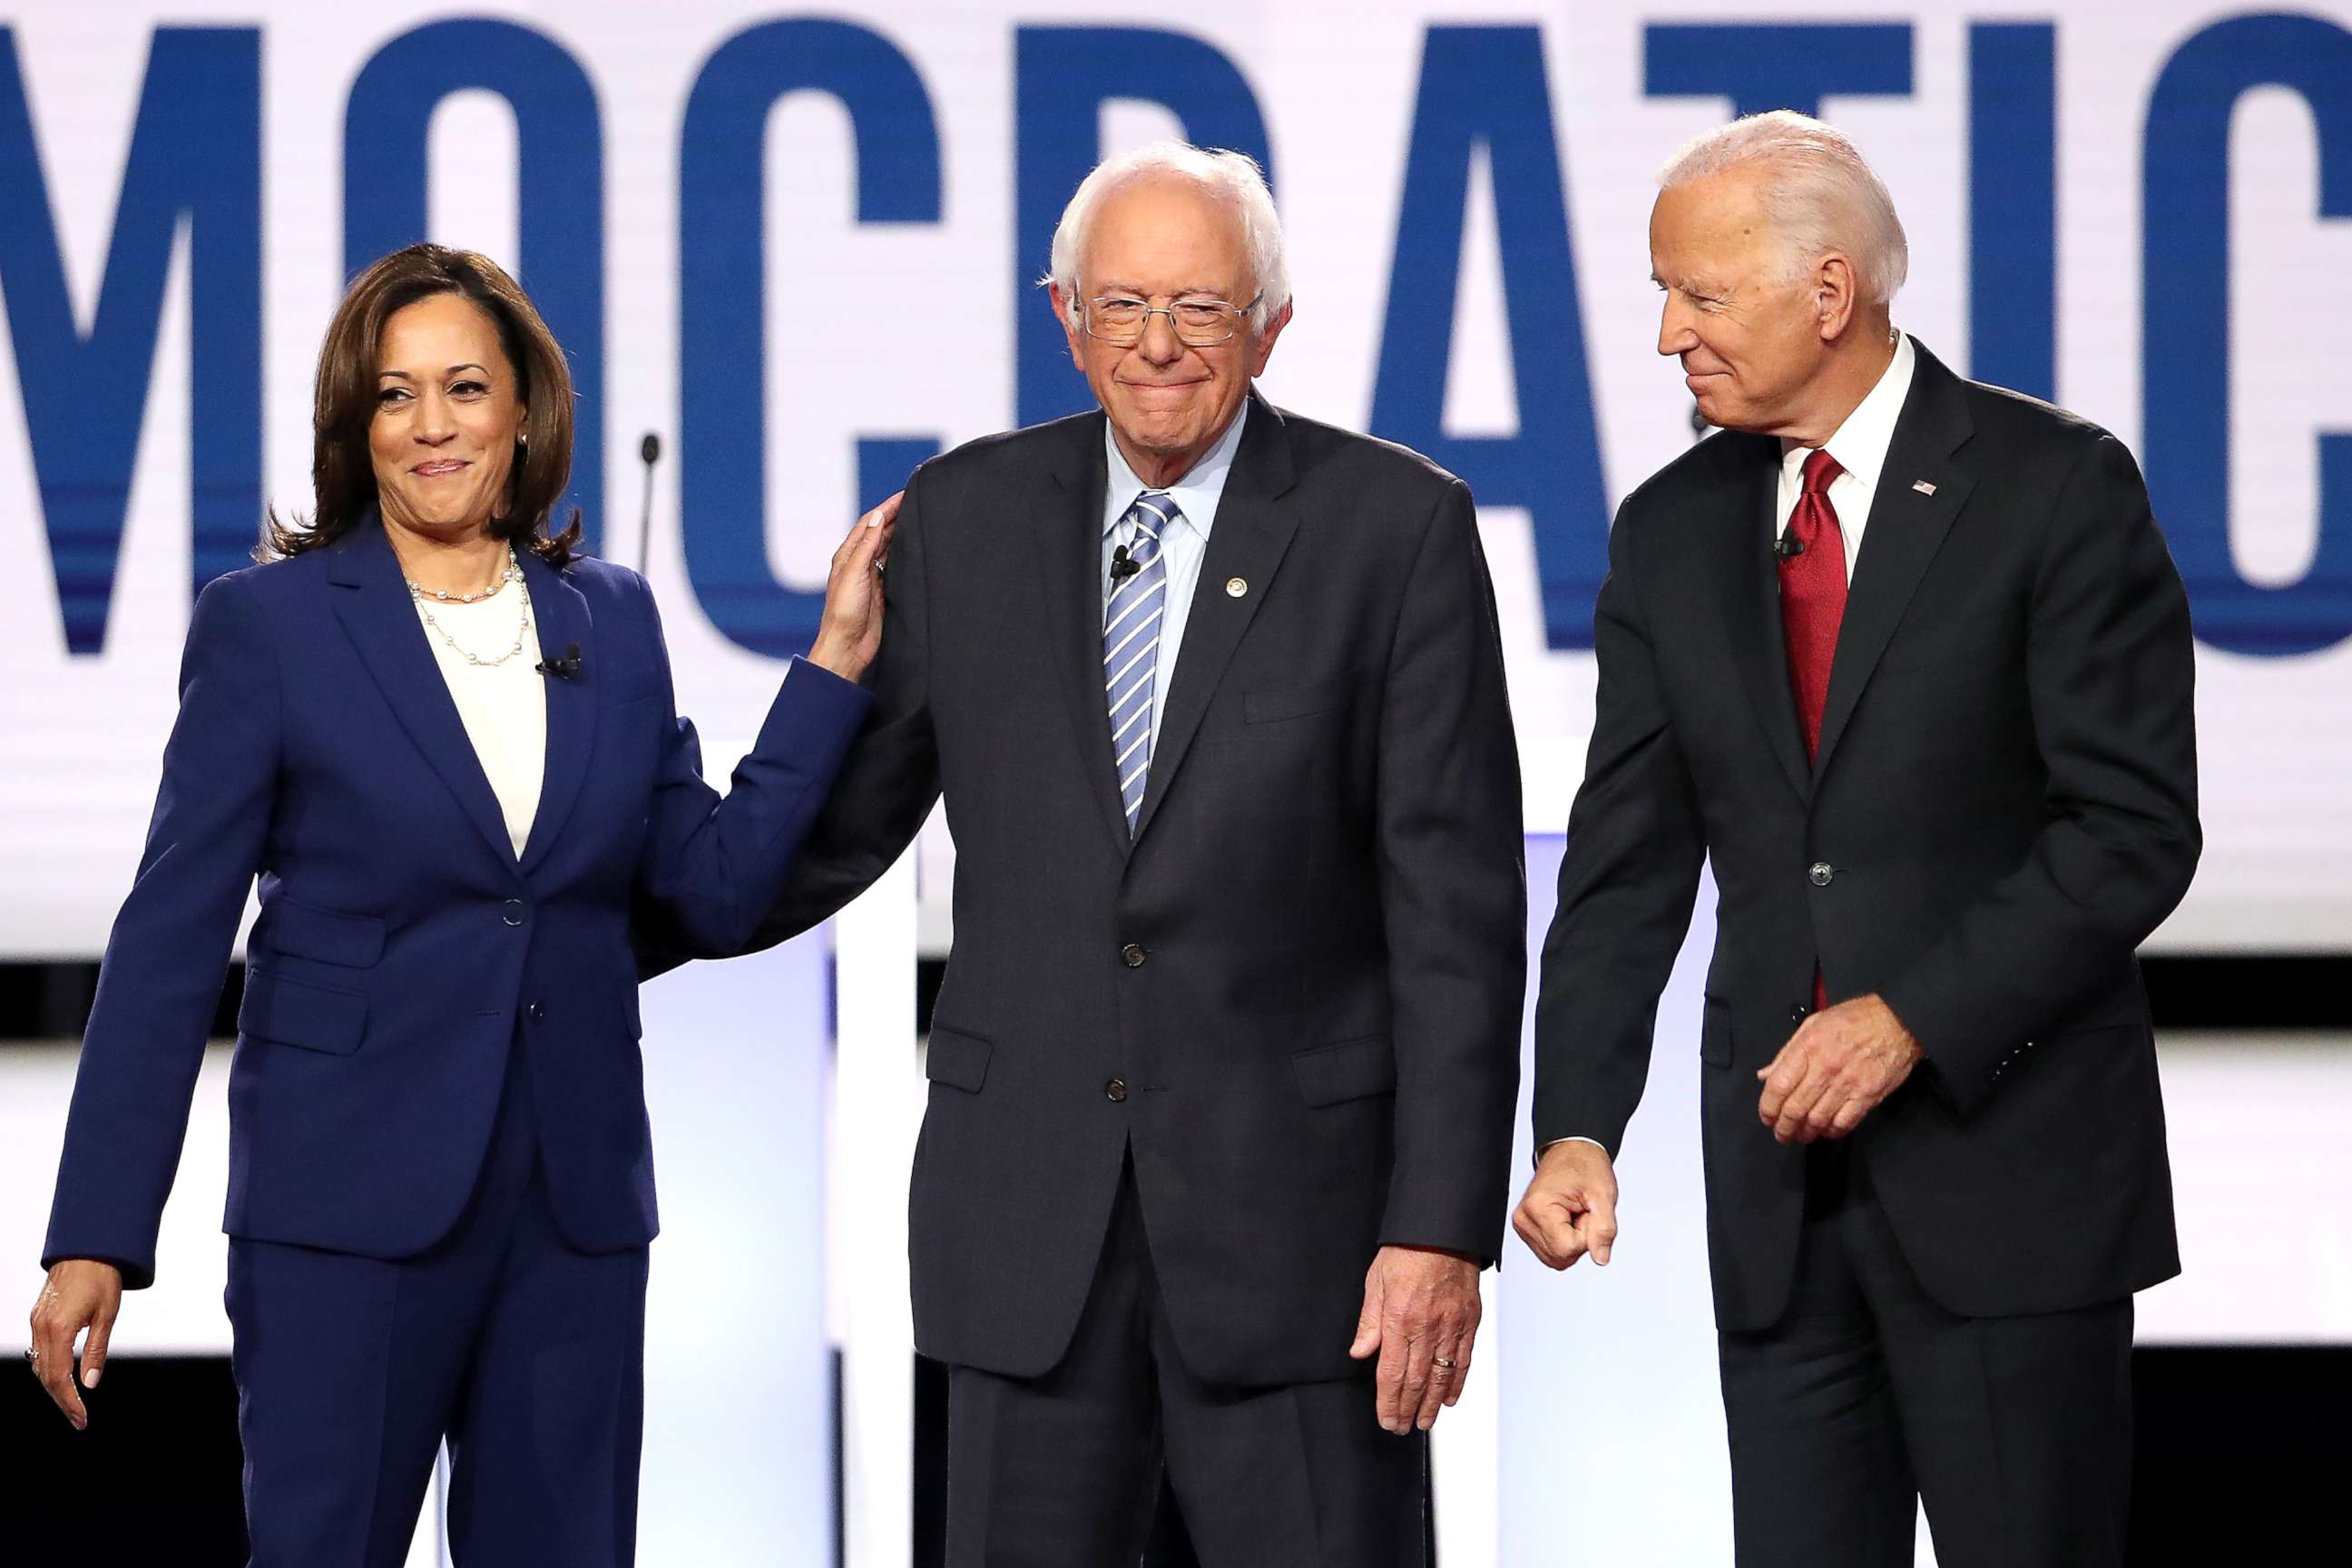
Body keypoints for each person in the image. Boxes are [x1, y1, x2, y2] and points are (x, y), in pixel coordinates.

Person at [708, 141, 1524, 1564]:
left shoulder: (1395, 530)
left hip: (1312, 1255)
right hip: (1027, 1237)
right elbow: (822, 846)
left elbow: (1457, 921)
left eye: (1201, 310)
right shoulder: (962, 520)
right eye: (1123, 305)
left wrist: (1440, 1228)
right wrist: (817, 687)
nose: (1158, 346)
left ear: (1270, 324)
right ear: (1064, 315)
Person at [27, 243, 891, 1565]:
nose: (433, 425)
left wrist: (830, 665)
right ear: (356, 427)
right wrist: (97, 1231)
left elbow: (708, 891)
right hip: (343, 1216)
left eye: (465, 388)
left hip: (572, 1214)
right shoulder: (271, 626)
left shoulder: (613, 618)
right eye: (394, 395)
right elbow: (168, 939)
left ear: (527, 413)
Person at [1513, 112, 2200, 1568]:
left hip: (2009, 1185)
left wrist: (1914, 1019)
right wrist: (1577, 1118)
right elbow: (1627, 865)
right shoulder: (1670, 531)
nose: (1664, 338)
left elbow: (2131, 829)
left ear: (1829, 293)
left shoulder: (2054, 488)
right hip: (1781, 1217)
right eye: (1662, 295)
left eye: (1698, 296)